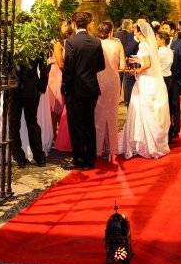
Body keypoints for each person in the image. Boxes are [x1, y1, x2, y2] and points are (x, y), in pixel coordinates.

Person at [120, 20, 171, 159]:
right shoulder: (149, 44)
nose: (133, 31)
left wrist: (135, 71)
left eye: (135, 30)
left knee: (142, 110)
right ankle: (148, 142)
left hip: (146, 81)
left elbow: (147, 64)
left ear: (139, 31)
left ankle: (145, 144)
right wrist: (137, 60)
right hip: (152, 81)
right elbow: (150, 60)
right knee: (146, 111)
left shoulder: (143, 45)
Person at [61, 11, 106, 170]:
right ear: (87, 24)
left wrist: (64, 87)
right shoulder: (96, 41)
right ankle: (90, 159)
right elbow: (101, 65)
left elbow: (68, 69)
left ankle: (79, 159)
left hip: (75, 89)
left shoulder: (71, 42)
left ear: (74, 24)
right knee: (89, 123)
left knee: (76, 125)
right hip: (91, 88)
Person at [11, 50, 50, 167]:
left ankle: (20, 157)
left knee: (14, 124)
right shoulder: (35, 42)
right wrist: (41, 87)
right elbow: (44, 69)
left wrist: (41, 87)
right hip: (31, 88)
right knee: (31, 122)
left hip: (15, 88)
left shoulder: (12, 42)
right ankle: (39, 157)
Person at [94, 21, 125, 163]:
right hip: (113, 80)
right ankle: (112, 150)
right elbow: (123, 66)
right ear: (111, 31)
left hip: (98, 79)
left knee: (98, 114)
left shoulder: (95, 44)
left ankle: (98, 149)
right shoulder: (117, 45)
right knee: (112, 114)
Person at [50, 20, 72, 152]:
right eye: (64, 24)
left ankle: (61, 137)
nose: (67, 26)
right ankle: (53, 136)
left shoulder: (68, 42)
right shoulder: (58, 43)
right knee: (56, 107)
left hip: (63, 75)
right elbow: (60, 63)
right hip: (57, 75)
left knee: (63, 108)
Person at [167, 22, 181, 141]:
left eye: (166, 28)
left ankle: (176, 129)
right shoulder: (160, 43)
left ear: (173, 30)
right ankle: (167, 128)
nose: (164, 30)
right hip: (164, 79)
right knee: (166, 104)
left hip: (175, 78)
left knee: (175, 104)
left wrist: (176, 75)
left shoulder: (179, 43)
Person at [115, 18, 139, 106]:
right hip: (129, 60)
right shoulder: (131, 35)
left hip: (118, 59)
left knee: (119, 78)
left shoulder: (116, 34)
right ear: (129, 26)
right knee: (125, 79)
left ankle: (119, 97)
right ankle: (124, 97)